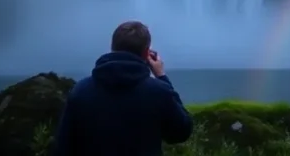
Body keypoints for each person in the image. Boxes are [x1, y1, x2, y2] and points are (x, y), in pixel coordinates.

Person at [52, 20, 193, 156]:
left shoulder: (80, 91)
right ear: (146, 54)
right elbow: (182, 131)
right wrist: (161, 76)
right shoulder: (158, 92)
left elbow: (62, 148)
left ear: (112, 48)